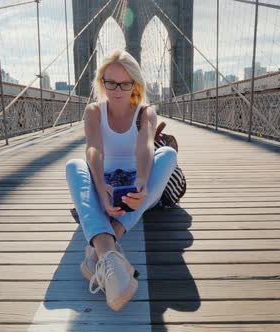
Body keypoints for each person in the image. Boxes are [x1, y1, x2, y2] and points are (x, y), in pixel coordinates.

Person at [65, 49, 177, 311]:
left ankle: (100, 248)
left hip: (137, 184)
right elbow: (94, 148)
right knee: (74, 166)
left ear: (135, 83)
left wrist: (141, 180)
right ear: (101, 82)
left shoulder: (145, 112)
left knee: (168, 154)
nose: (117, 90)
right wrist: (102, 188)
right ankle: (108, 254)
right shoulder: (94, 110)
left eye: (125, 83)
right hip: (104, 180)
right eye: (110, 82)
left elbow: (145, 146)